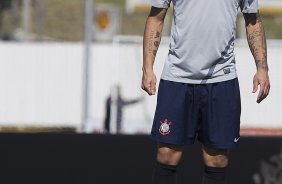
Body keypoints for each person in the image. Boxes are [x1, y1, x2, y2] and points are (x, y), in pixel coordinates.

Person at [141, 0, 270, 184]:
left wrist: (262, 67)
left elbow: (252, 20)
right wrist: (147, 68)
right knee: (167, 155)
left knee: (217, 159)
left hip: (222, 79)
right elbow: (156, 17)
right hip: (177, 77)